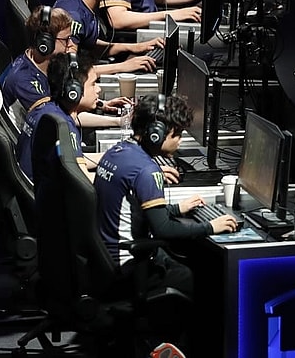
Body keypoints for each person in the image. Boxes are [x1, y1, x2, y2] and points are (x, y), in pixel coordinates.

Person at [93, 94, 238, 295]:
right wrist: (211, 227)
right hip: (127, 266)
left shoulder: (117, 152)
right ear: (156, 134)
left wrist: (177, 208)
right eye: (177, 134)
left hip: (103, 260)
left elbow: (131, 211)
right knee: (200, 272)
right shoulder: (147, 171)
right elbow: (163, 229)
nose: (180, 141)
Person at [1, 5, 131, 131]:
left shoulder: (46, 64)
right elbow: (62, 119)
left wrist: (101, 104)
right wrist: (119, 121)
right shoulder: (24, 83)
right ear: (45, 43)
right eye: (66, 40)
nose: (71, 44)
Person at [16, 51, 103, 182]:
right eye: (93, 84)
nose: (98, 89)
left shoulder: (45, 108)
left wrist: (110, 158)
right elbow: (84, 181)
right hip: (46, 193)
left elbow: (74, 161)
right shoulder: (62, 126)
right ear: (73, 91)